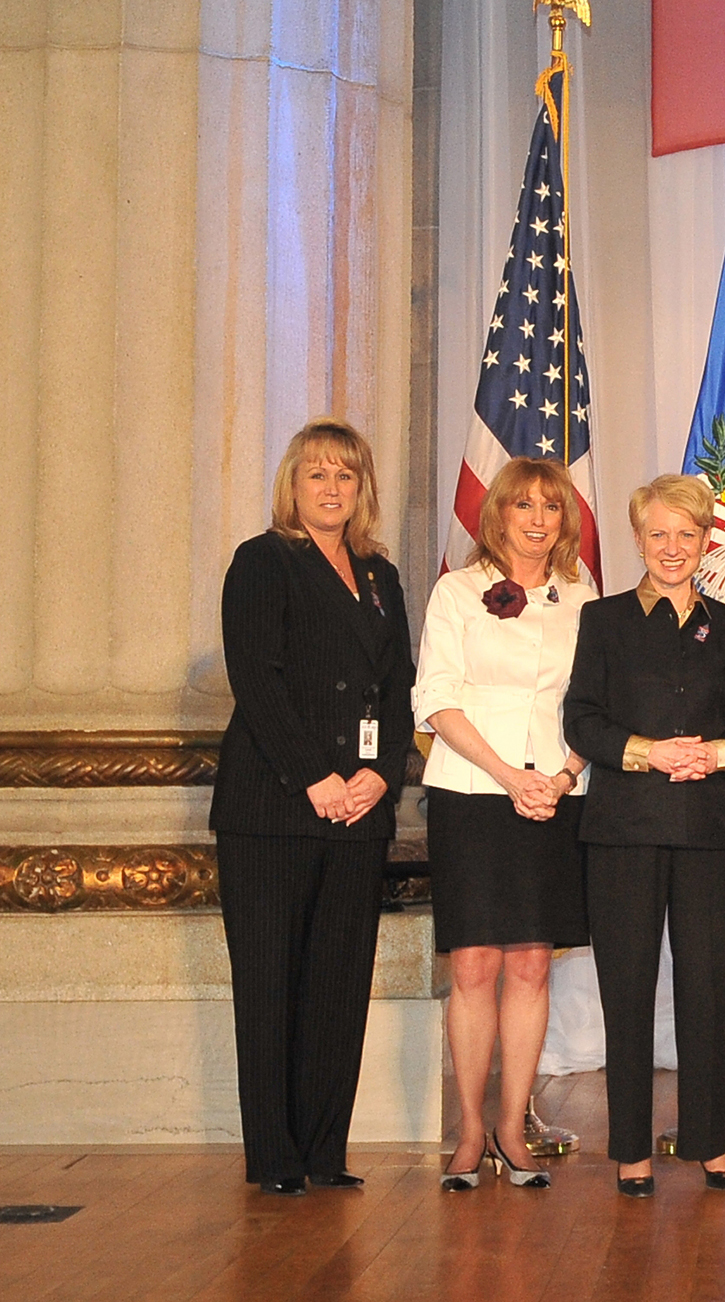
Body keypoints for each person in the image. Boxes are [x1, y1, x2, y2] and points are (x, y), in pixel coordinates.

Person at [210, 418, 416, 1196]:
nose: (332, 488)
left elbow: (398, 687)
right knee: (270, 985)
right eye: (317, 474)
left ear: (362, 489)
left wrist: (380, 776)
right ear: (292, 485)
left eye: (345, 474)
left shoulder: (379, 575)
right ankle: (275, 1158)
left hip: (360, 810)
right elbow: (255, 681)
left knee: (337, 986)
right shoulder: (262, 562)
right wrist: (314, 777)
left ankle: (325, 1150)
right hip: (273, 809)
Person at [413, 456, 593, 1191]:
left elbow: (595, 705)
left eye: (550, 507)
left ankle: (514, 1130)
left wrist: (563, 775)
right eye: (524, 505)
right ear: (499, 515)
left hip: (554, 795)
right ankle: (468, 1133)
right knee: (473, 966)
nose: (538, 520)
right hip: (472, 792)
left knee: (530, 965)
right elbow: (435, 697)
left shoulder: (584, 597)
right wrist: (507, 775)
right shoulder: (458, 592)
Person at [564, 475, 725, 1197]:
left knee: (706, 989)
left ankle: (708, 1142)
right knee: (628, 991)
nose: (673, 548)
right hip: (622, 831)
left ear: (706, 542)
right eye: (659, 534)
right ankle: (632, 1149)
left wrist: (716, 755)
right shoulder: (602, 619)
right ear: (637, 540)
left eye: (687, 535)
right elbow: (582, 720)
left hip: (707, 828)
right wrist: (650, 752)